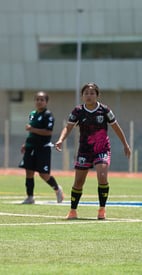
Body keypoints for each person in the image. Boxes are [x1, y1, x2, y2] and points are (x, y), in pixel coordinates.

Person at [55, 82, 131, 220]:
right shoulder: (77, 111)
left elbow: (116, 127)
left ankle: (102, 209)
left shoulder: (105, 110)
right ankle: (73, 211)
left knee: (102, 176)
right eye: (86, 93)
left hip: (102, 148)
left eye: (92, 93)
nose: (89, 96)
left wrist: (125, 144)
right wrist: (61, 140)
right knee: (78, 181)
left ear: (97, 95)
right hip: (84, 150)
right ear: (82, 96)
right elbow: (68, 127)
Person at [18, 91, 64, 204]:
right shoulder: (33, 114)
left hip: (42, 148)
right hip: (31, 147)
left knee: (44, 175)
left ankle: (57, 189)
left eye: (42, 100)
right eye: (37, 99)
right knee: (29, 172)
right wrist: (26, 144)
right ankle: (30, 197)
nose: (39, 102)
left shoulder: (48, 115)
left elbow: (48, 132)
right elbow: (31, 133)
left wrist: (32, 129)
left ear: (46, 102)